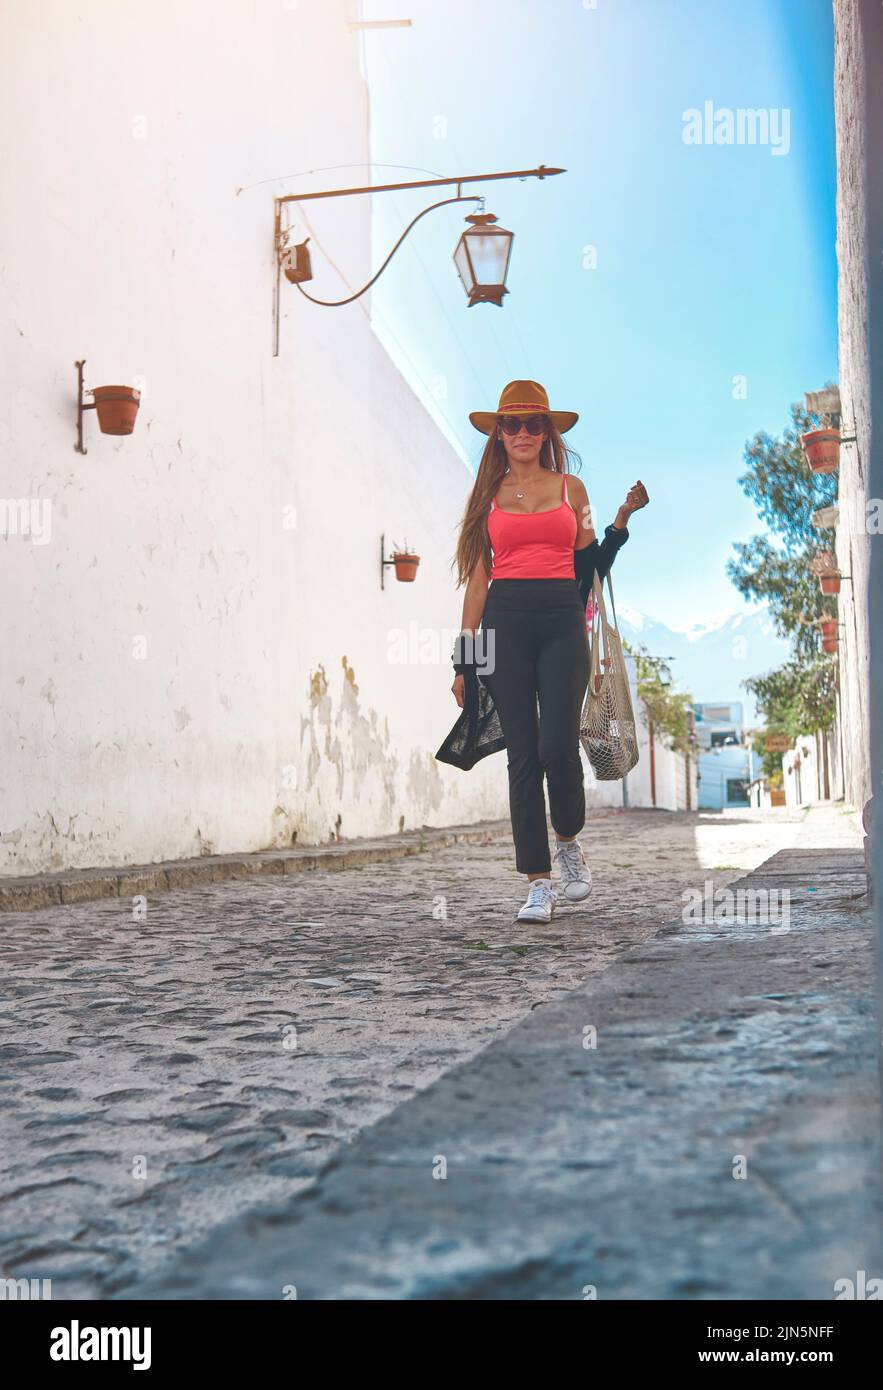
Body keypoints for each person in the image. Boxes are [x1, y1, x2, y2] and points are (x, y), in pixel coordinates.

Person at [446, 380, 648, 923]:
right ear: (498, 435)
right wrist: (465, 659)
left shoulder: (572, 491)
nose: (522, 433)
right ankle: (538, 883)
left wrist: (621, 524)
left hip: (562, 623)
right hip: (505, 628)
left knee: (558, 746)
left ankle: (568, 842)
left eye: (533, 423)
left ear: (547, 432)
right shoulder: (486, 496)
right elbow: (478, 583)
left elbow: (589, 568)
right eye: (511, 424)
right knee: (523, 756)